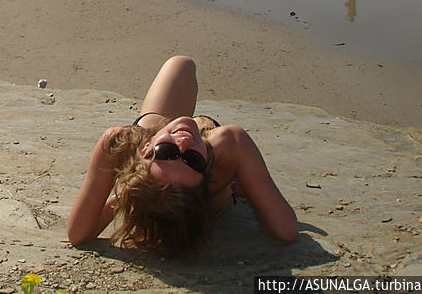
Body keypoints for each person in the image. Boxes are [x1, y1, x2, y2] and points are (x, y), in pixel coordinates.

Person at [67, 55, 297, 255]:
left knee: (181, 65)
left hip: (150, 154)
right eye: (193, 161)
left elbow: (79, 233)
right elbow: (285, 230)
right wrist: (247, 183)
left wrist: (127, 193)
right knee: (202, 124)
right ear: (206, 171)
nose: (184, 142)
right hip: (212, 188)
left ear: (145, 152)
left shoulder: (119, 143)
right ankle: (217, 174)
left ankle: (169, 162)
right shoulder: (229, 145)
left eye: (166, 152)